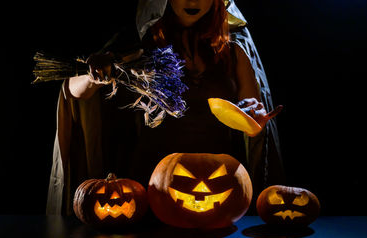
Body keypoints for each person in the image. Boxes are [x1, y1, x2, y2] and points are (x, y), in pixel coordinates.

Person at [46, 0, 285, 215]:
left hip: (218, 177)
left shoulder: (232, 48)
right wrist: (93, 76)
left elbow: (252, 121)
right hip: (154, 176)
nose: (193, 1)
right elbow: (73, 92)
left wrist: (254, 117)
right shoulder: (140, 41)